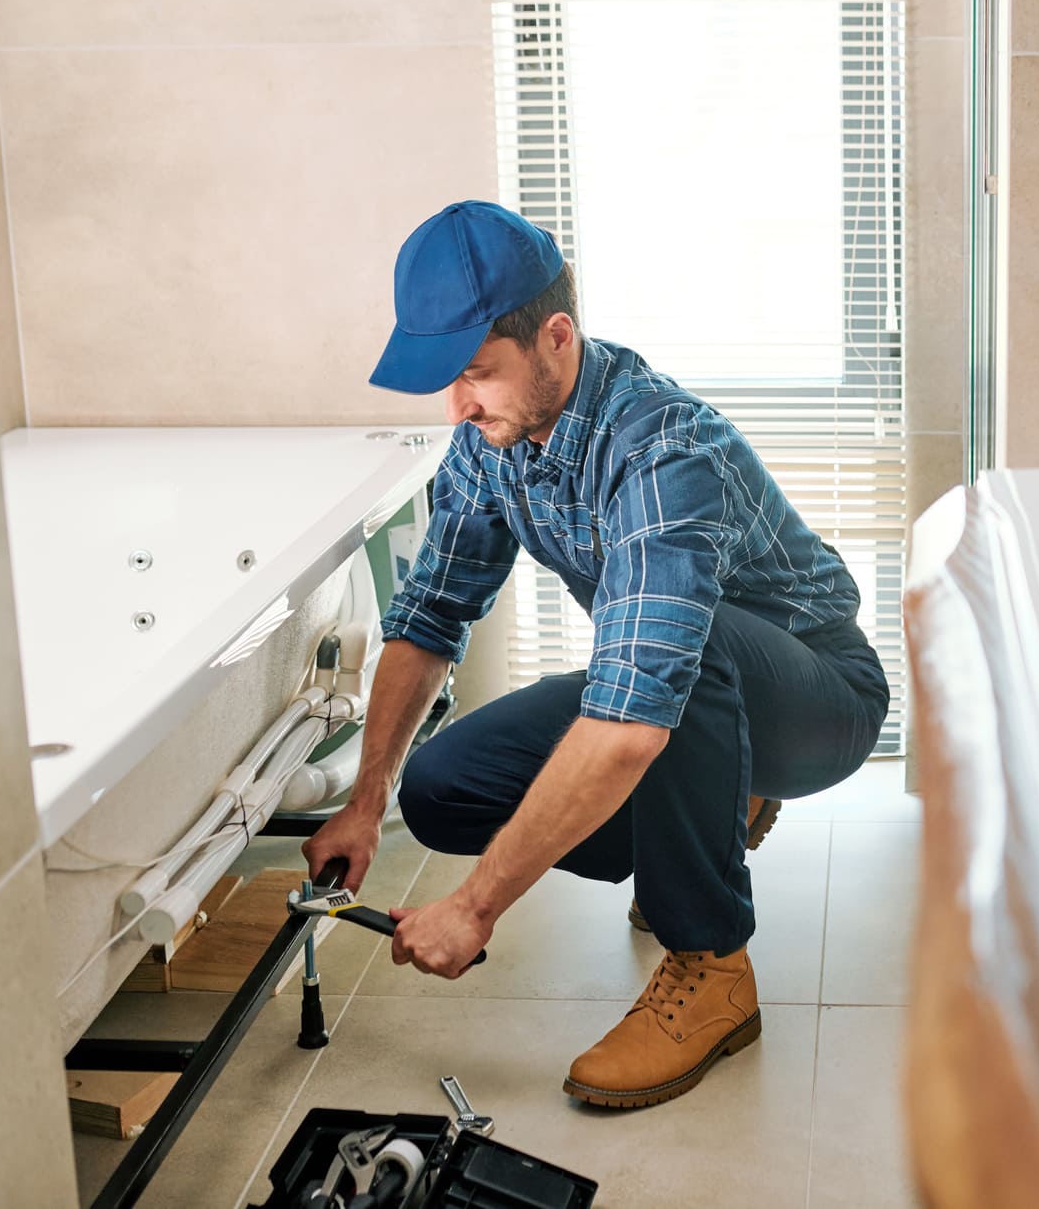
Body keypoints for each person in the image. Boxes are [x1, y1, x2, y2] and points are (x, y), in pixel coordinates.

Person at [304, 200, 890, 1107]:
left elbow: (630, 715)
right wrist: (363, 798)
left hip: (816, 698)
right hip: (682, 685)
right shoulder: (489, 440)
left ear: (557, 338)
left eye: (475, 374)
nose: (458, 404)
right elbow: (429, 617)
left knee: (666, 677)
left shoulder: (662, 448)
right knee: (440, 788)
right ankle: (705, 815)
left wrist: (474, 907)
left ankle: (711, 966)